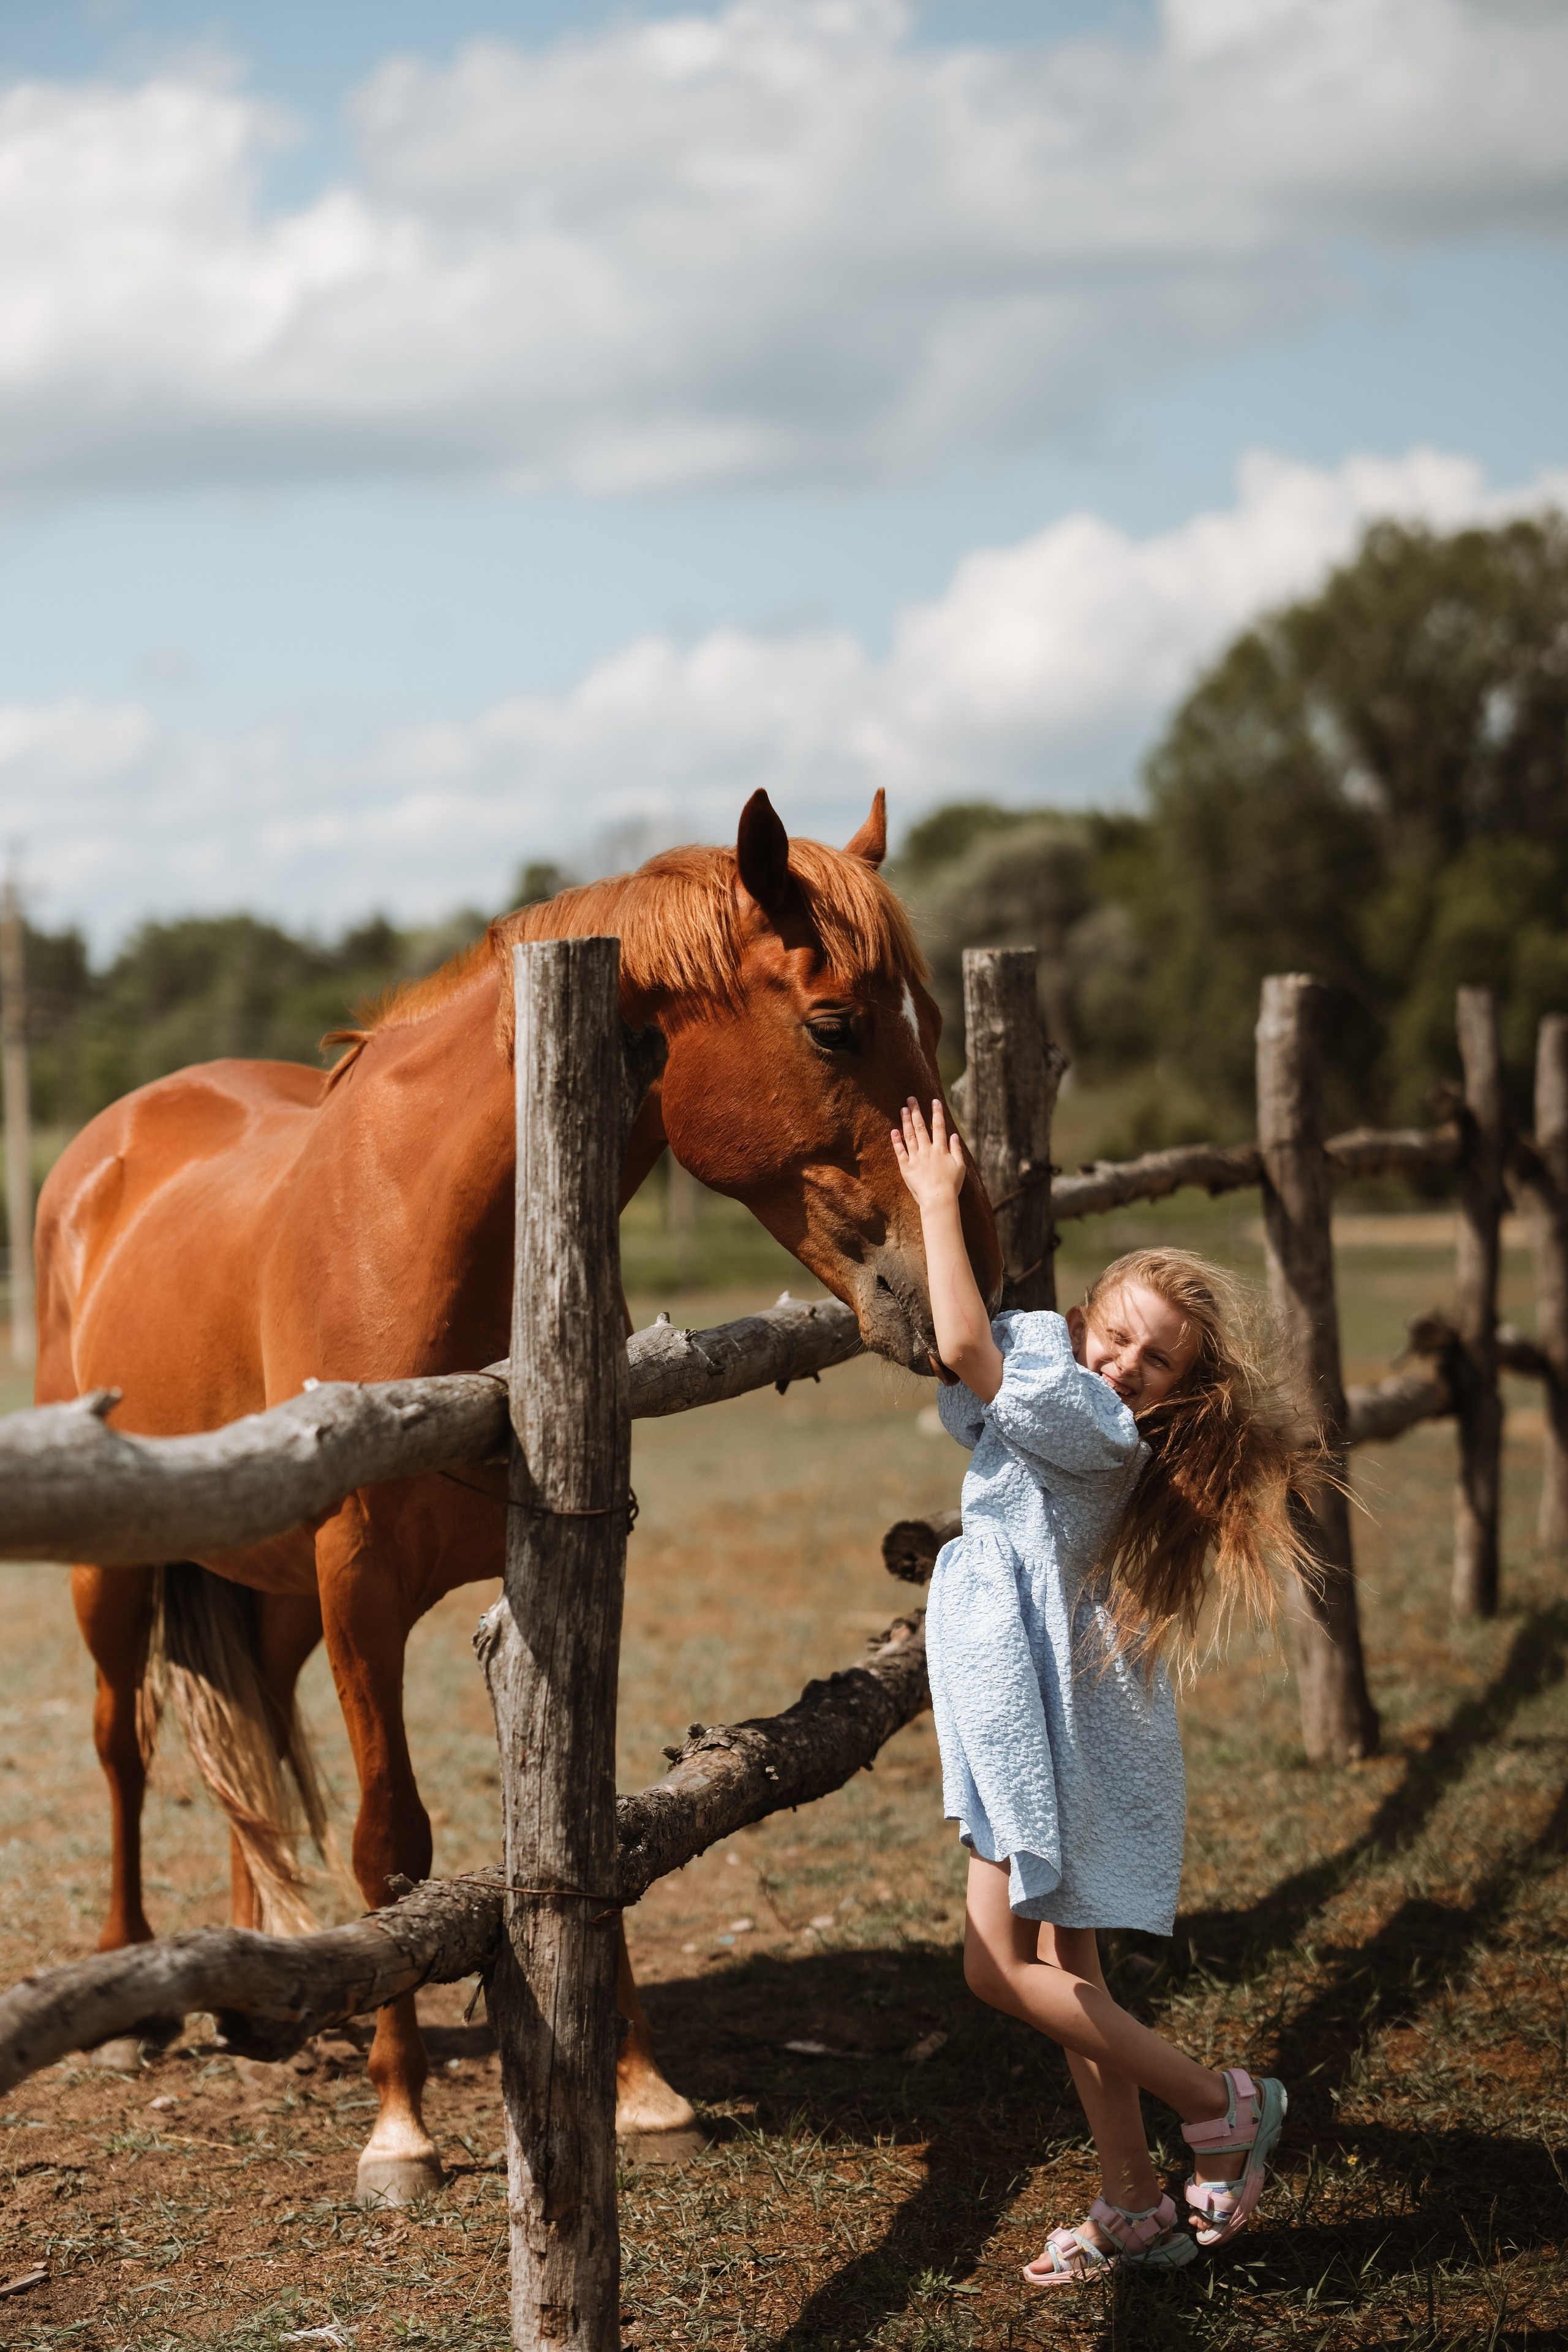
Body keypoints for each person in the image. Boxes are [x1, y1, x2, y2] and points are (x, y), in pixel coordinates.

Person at [891, 1095, 1311, 2286]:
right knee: (1068, 1971)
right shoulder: (1059, 1379)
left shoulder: (1097, 1427)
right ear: (1084, 1322)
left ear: (1175, 1390)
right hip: (1023, 1684)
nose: (1123, 1365)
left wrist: (936, 1199)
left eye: (1153, 1360)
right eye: (1114, 1337)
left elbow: (965, 1348)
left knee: (995, 1968)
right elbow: (973, 1360)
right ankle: (1133, 2205)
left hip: (1027, 1699)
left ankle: (1218, 2102)